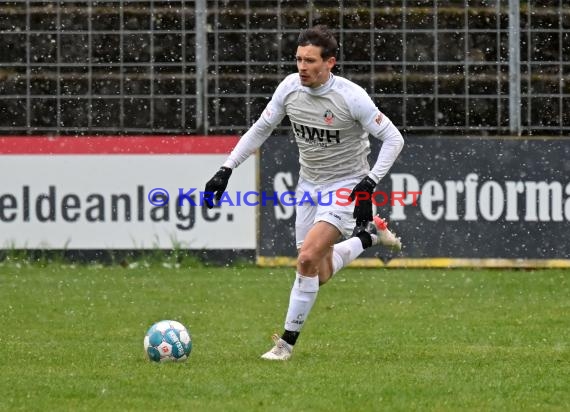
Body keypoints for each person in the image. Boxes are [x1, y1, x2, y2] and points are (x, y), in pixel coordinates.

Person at [203, 25, 404, 360]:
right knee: (318, 272)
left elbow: (394, 139)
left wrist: (368, 182)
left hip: (345, 185)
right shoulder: (289, 89)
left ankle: (285, 345)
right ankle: (369, 238)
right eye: (298, 59)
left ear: (330, 63)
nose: (302, 67)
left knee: (307, 258)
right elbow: (261, 128)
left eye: (310, 61)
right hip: (308, 185)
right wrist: (226, 169)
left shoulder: (351, 97)